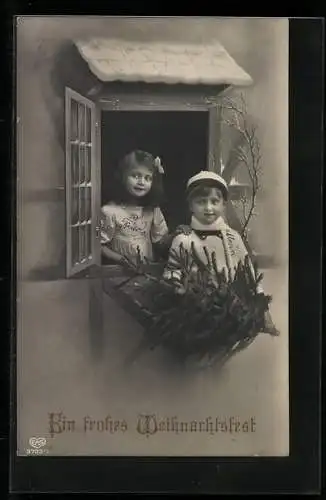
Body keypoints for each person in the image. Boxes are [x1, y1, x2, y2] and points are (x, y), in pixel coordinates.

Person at [163, 170, 279, 335]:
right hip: (200, 313)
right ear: (190, 205)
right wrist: (181, 291)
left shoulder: (233, 237)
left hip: (236, 311)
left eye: (214, 201)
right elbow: (173, 272)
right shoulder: (183, 239)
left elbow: (249, 273)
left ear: (223, 204)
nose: (209, 207)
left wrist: (261, 306)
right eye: (201, 202)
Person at [100, 150, 189, 266]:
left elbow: (160, 241)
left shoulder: (152, 210)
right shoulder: (108, 211)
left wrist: (176, 234)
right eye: (135, 176)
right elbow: (98, 245)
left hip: (148, 271)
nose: (141, 182)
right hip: (117, 273)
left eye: (148, 178)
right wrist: (121, 260)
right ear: (122, 176)